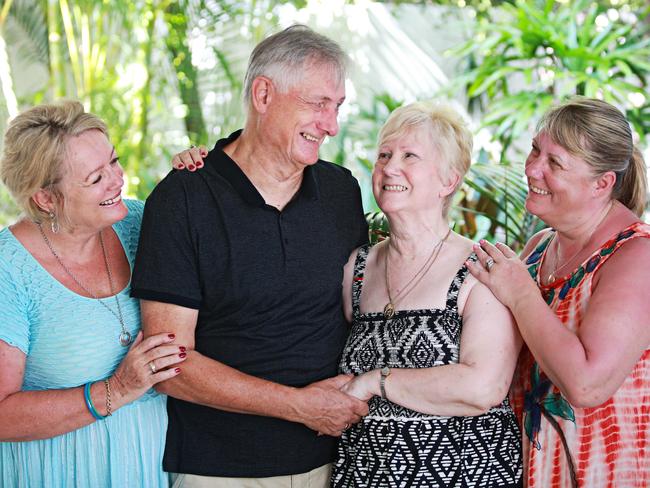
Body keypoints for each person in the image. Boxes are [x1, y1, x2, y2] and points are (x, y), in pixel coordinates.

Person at [130, 25, 370, 486]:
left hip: (335, 462)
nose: (331, 125)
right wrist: (299, 407)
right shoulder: (183, 198)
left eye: (337, 107)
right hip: (219, 469)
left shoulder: (342, 191)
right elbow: (169, 366)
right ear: (263, 94)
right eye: (318, 104)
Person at [324, 101, 523, 487]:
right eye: (384, 154)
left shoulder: (481, 269)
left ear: (448, 180)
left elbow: (483, 387)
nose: (389, 166)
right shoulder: (357, 269)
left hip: (463, 475)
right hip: (366, 474)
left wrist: (375, 381)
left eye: (409, 155)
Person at [0, 100, 187, 487]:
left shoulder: (139, 223)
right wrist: (116, 390)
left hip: (149, 464)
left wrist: (197, 174)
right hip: (58, 471)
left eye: (114, 162)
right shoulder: (8, 271)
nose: (117, 180)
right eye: (95, 177)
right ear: (46, 199)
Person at [467, 97, 650, 487]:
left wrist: (520, 294)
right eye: (536, 150)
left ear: (602, 183)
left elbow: (587, 384)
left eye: (555, 163)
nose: (532, 169)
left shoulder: (637, 255)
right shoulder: (537, 248)